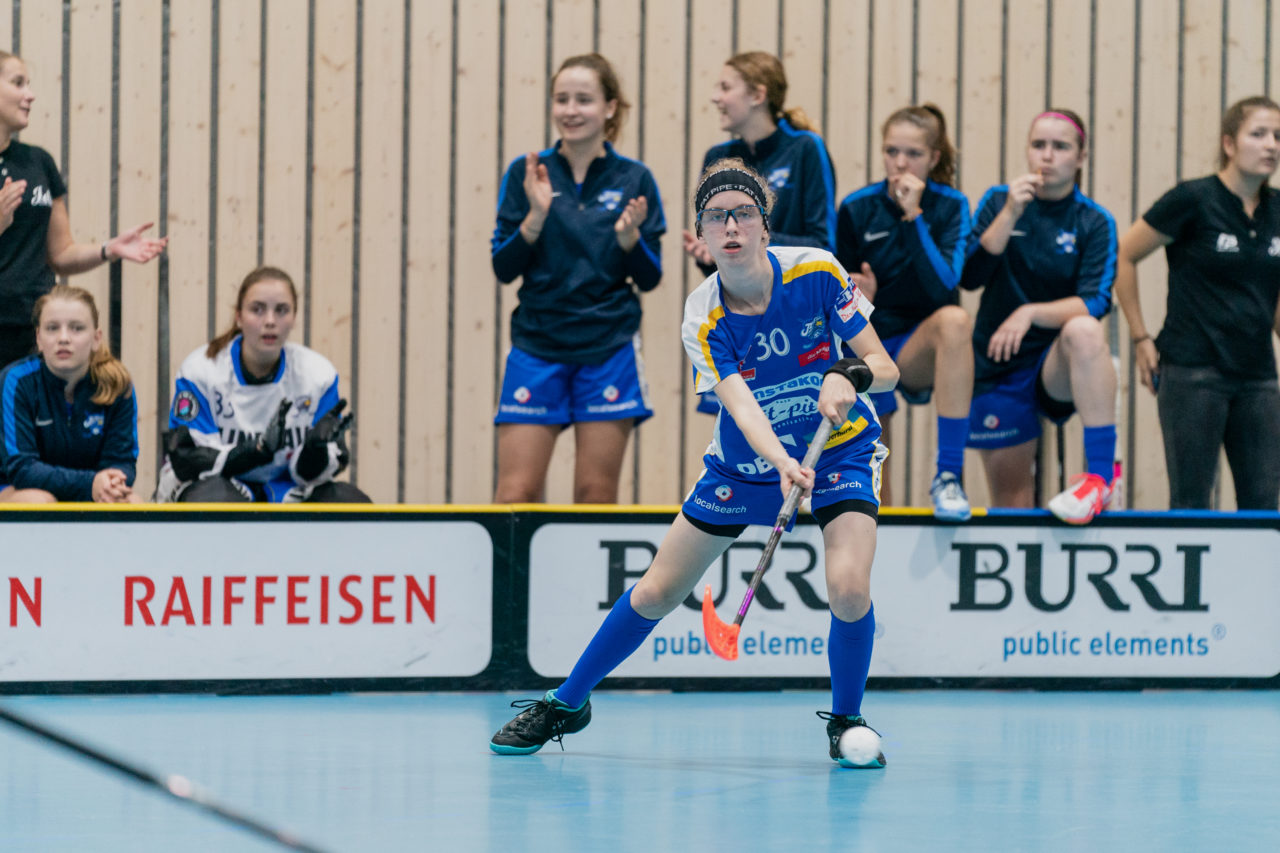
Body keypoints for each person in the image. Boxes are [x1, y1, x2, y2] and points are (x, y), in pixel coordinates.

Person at [490, 159, 899, 767]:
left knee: (847, 587)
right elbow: (738, 403)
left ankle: (846, 719)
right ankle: (567, 704)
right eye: (715, 216)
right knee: (656, 591)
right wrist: (780, 461)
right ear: (702, 237)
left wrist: (848, 373)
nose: (730, 226)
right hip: (745, 467)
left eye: (743, 214)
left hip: (838, 451)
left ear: (765, 226)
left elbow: (886, 367)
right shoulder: (702, 313)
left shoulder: (816, 271)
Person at [490, 53, 665, 504]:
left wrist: (630, 242)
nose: (570, 110)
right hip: (537, 344)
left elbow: (650, 278)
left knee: (594, 495)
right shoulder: (528, 173)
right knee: (515, 494)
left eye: (583, 99)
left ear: (609, 108)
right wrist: (535, 216)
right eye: (561, 99)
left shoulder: (635, 178)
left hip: (608, 347)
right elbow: (503, 268)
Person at [1113, 96, 1280, 509]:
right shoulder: (1193, 199)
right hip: (1193, 371)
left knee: (1262, 503)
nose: (1271, 145)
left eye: (1278, 136)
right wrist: (1139, 338)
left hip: (1258, 376)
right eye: (1258, 134)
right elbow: (1124, 256)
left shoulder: (1277, 211)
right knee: (1191, 501)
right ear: (1229, 143)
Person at [960, 109, 1119, 524]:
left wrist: (1029, 313)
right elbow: (969, 277)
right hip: (998, 364)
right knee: (1013, 503)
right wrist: (1010, 214)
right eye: (1038, 145)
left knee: (1085, 330)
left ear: (1080, 157)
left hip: (1058, 366)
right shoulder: (999, 202)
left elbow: (1096, 301)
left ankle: (1101, 476)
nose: (1047, 156)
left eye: (1060, 147)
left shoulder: (1094, 221)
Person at [835, 104, 973, 520]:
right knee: (878, 490)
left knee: (956, 321)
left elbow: (945, 287)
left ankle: (948, 476)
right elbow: (833, 294)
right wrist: (858, 296)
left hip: (920, 346)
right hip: (869, 344)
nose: (899, 162)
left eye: (912, 153)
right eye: (891, 150)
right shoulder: (857, 208)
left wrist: (914, 217)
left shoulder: (951, 206)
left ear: (933, 158)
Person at [684, 51, 838, 415]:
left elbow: (823, 244)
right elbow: (725, 262)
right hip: (738, 316)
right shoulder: (717, 156)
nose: (715, 97)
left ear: (757, 95)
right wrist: (711, 254)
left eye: (725, 87)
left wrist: (747, 243)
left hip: (795, 312)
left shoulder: (805, 148)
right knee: (741, 434)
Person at [0, 50, 166, 368]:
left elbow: (60, 254)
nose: (30, 95)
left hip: (31, 335)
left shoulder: (38, 162)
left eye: (29, 84)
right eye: (18, 83)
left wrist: (108, 249)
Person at [154, 266, 370, 503]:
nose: (270, 321)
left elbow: (310, 475)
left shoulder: (318, 376)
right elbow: (188, 461)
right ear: (239, 316)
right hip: (214, 485)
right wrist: (255, 450)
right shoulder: (201, 371)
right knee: (214, 501)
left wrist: (314, 452)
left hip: (283, 487)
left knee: (349, 502)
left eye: (281, 311)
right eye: (257, 310)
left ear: (294, 317)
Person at [0, 285, 138, 503]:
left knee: (130, 503)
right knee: (39, 502)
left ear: (96, 338)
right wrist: (91, 483)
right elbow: (22, 469)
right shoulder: (16, 381)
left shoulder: (117, 385)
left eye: (77, 328)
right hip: (18, 488)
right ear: (38, 338)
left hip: (92, 488)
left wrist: (110, 483)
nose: (63, 338)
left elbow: (122, 463)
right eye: (52, 328)